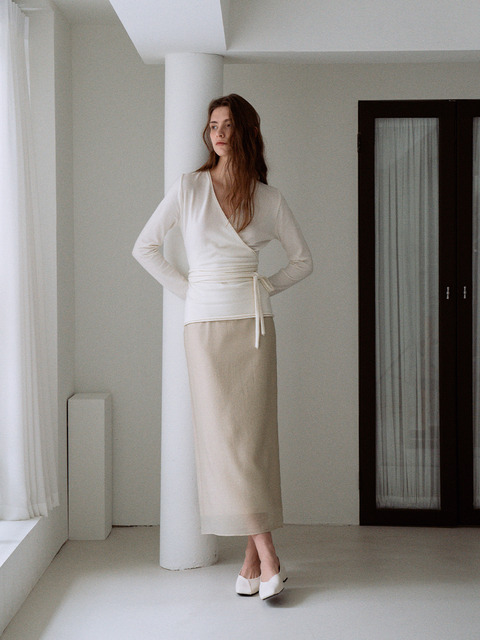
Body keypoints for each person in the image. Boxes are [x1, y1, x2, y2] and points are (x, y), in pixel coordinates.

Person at [132, 94, 313, 600]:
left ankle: (254, 563)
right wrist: (191, 288)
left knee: (252, 443)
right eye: (213, 125)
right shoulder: (189, 188)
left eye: (228, 125)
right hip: (205, 327)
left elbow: (303, 261)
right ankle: (269, 554)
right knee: (224, 443)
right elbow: (144, 247)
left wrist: (265, 286)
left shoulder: (268, 198)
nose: (219, 133)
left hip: (253, 325)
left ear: (246, 131)